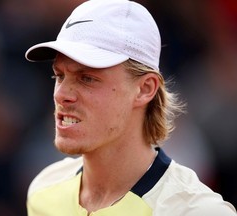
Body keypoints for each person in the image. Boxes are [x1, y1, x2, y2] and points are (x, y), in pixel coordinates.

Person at [24, 0, 237, 215]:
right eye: (59, 76)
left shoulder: (198, 211)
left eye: (87, 78)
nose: (61, 94)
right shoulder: (43, 190)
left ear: (145, 88)